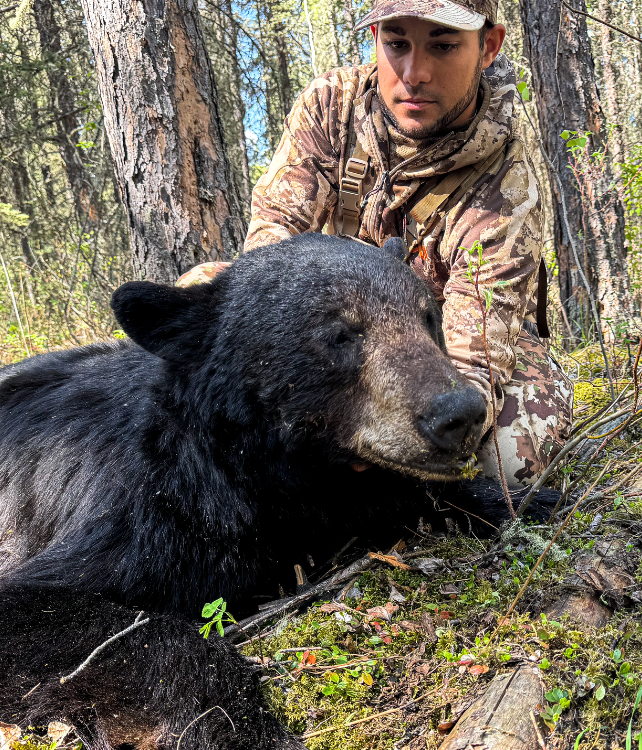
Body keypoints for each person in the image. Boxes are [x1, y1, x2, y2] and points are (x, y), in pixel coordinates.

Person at [178, 0, 573, 488]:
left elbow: (474, 358)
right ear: (376, 40)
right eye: (397, 43)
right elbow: (270, 250)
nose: (415, 72)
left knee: (512, 456)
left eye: (444, 45)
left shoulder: (506, 188)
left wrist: (398, 426)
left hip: (446, 341)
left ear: (488, 47)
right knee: (202, 291)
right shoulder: (332, 106)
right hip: (331, 341)